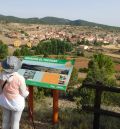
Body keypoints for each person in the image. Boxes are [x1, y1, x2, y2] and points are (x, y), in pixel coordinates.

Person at [0, 56, 29, 129]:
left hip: (5, 100)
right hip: (16, 103)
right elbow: (23, 93)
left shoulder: (1, 75)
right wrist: (27, 92)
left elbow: (0, 90)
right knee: (15, 122)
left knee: (5, 120)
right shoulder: (20, 78)